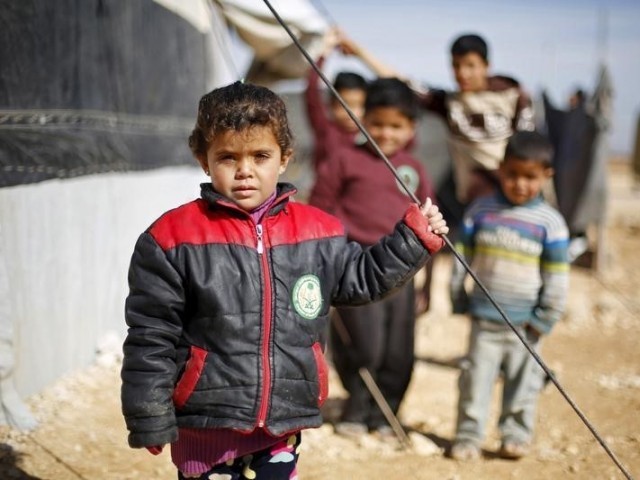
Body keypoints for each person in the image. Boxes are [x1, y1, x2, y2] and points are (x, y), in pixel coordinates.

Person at [120, 80, 449, 479]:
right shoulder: (171, 238)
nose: (245, 171)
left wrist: (413, 239)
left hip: (281, 429)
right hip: (205, 428)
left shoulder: (318, 232)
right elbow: (151, 335)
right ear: (202, 158)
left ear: (284, 158)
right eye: (227, 156)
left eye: (260, 155)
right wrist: (149, 413)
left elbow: (362, 278)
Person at [309, 77, 436, 438]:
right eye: (378, 123)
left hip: (403, 271)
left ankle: (387, 415)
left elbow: (430, 227)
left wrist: (428, 284)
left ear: (411, 127)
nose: (386, 133)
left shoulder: (414, 169)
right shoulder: (344, 160)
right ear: (363, 118)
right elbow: (319, 213)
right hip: (355, 267)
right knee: (363, 344)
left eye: (396, 126)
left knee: (398, 351)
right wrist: (325, 267)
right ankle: (356, 407)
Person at [449, 131, 569, 461]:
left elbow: (557, 278)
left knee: (524, 385)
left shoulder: (551, 223)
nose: (520, 184)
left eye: (530, 177)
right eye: (513, 174)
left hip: (527, 325)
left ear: (547, 176)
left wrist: (545, 317)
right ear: (501, 169)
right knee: (475, 381)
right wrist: (458, 295)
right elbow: (462, 257)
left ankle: (515, 435)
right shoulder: (480, 211)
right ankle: (468, 435)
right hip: (484, 319)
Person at [419, 33, 535, 217]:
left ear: (486, 66)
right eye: (456, 65)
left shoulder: (513, 97)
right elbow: (403, 84)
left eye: (470, 65)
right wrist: (361, 54)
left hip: (515, 197)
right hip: (476, 199)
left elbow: (528, 148)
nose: (462, 73)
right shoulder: (451, 104)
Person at [305, 28, 397, 170]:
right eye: (344, 105)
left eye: (359, 105)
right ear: (331, 105)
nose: (352, 113)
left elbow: (395, 87)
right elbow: (311, 89)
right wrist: (325, 51)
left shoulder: (374, 135)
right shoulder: (325, 129)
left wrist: (358, 53)